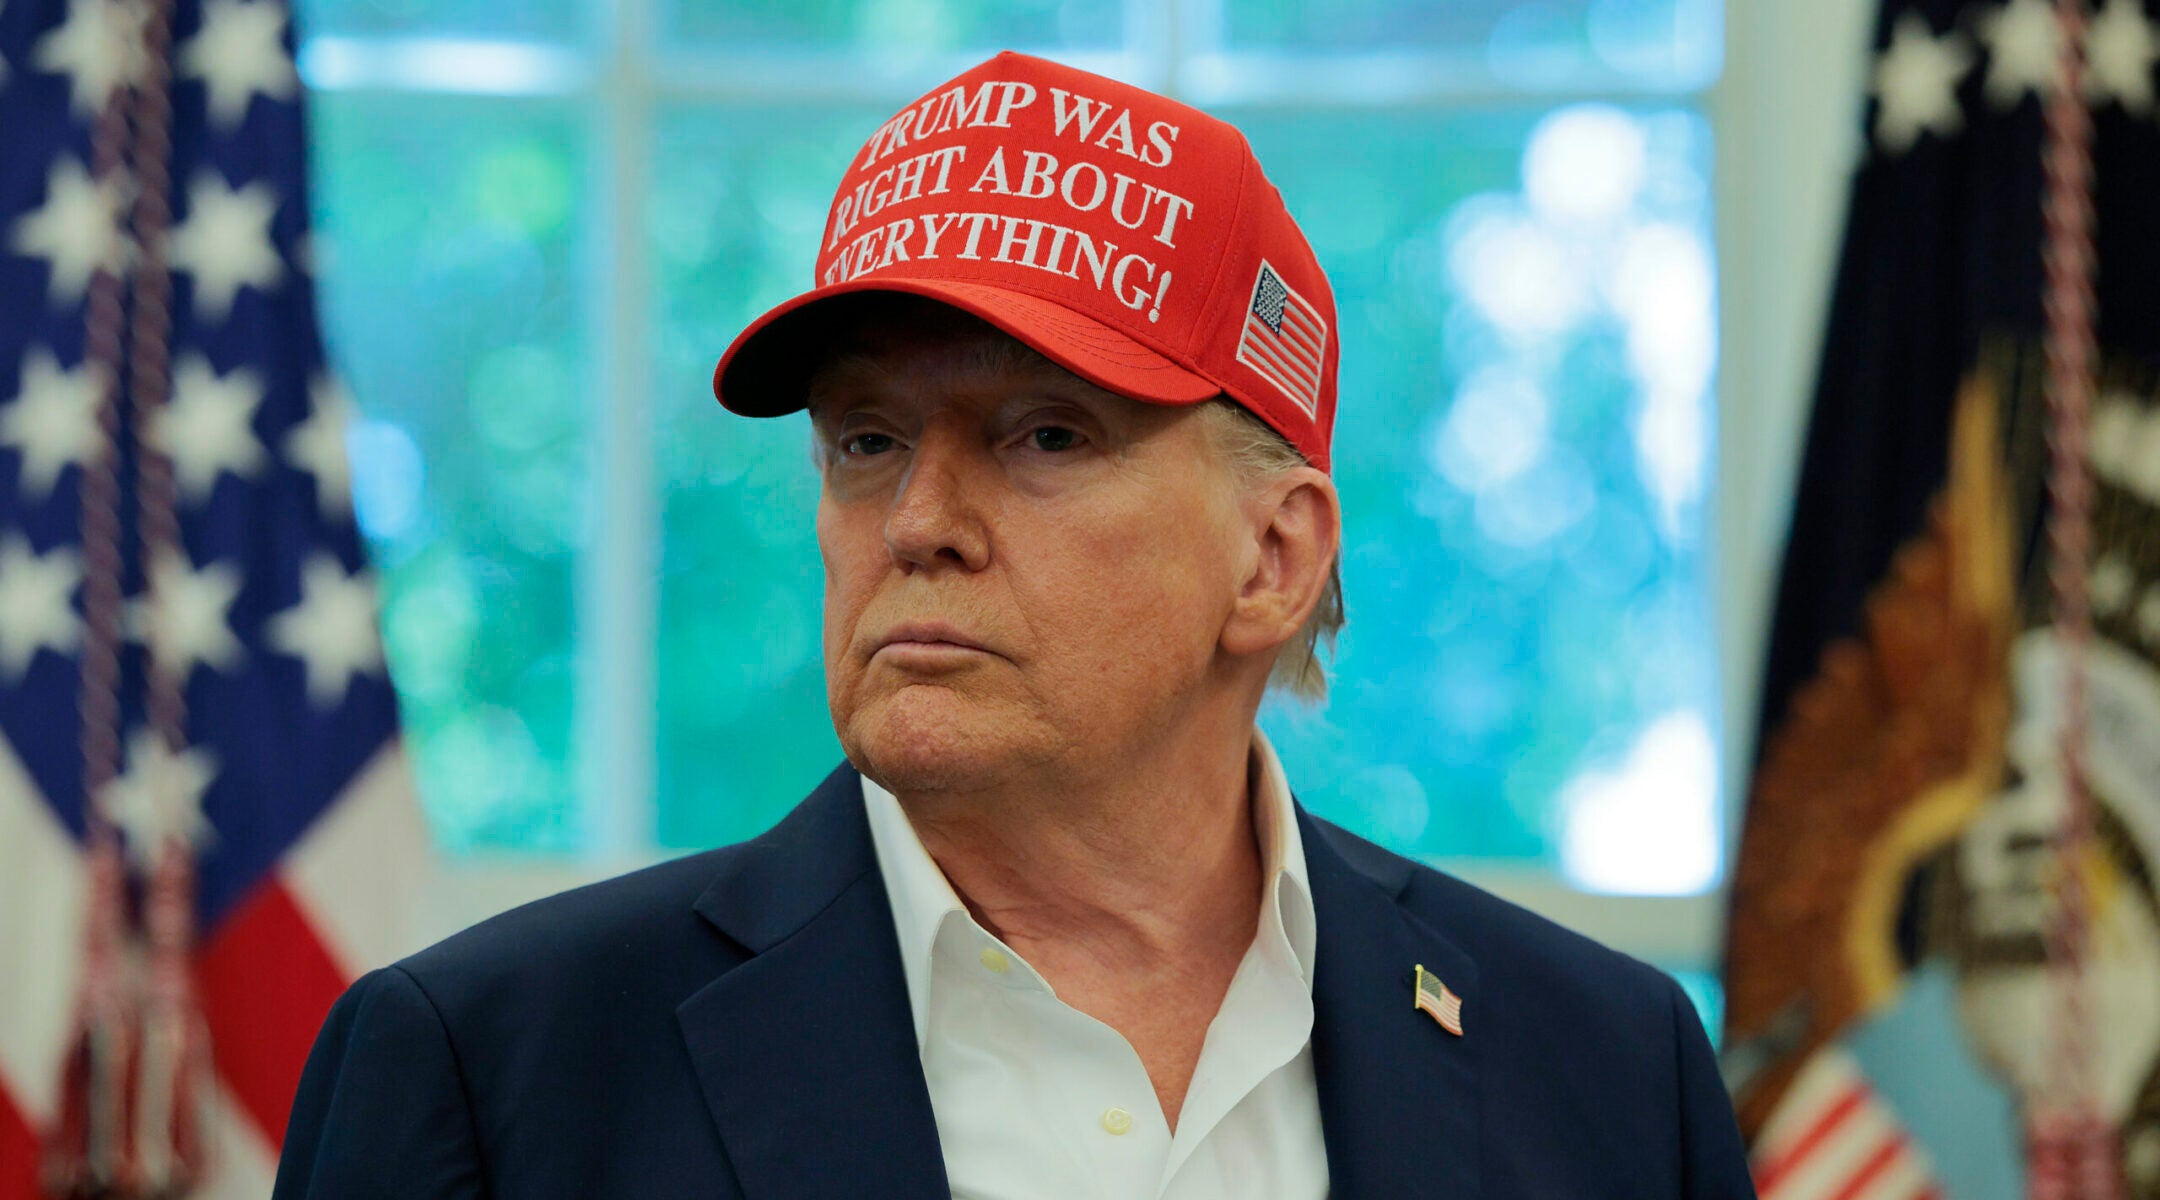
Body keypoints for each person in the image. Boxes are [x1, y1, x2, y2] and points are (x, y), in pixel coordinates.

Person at [273, 51, 1755, 1199]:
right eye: (866, 442)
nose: (918, 519)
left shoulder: (1610, 1075)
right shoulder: (495, 1069)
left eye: (1046, 437)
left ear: (1276, 556)